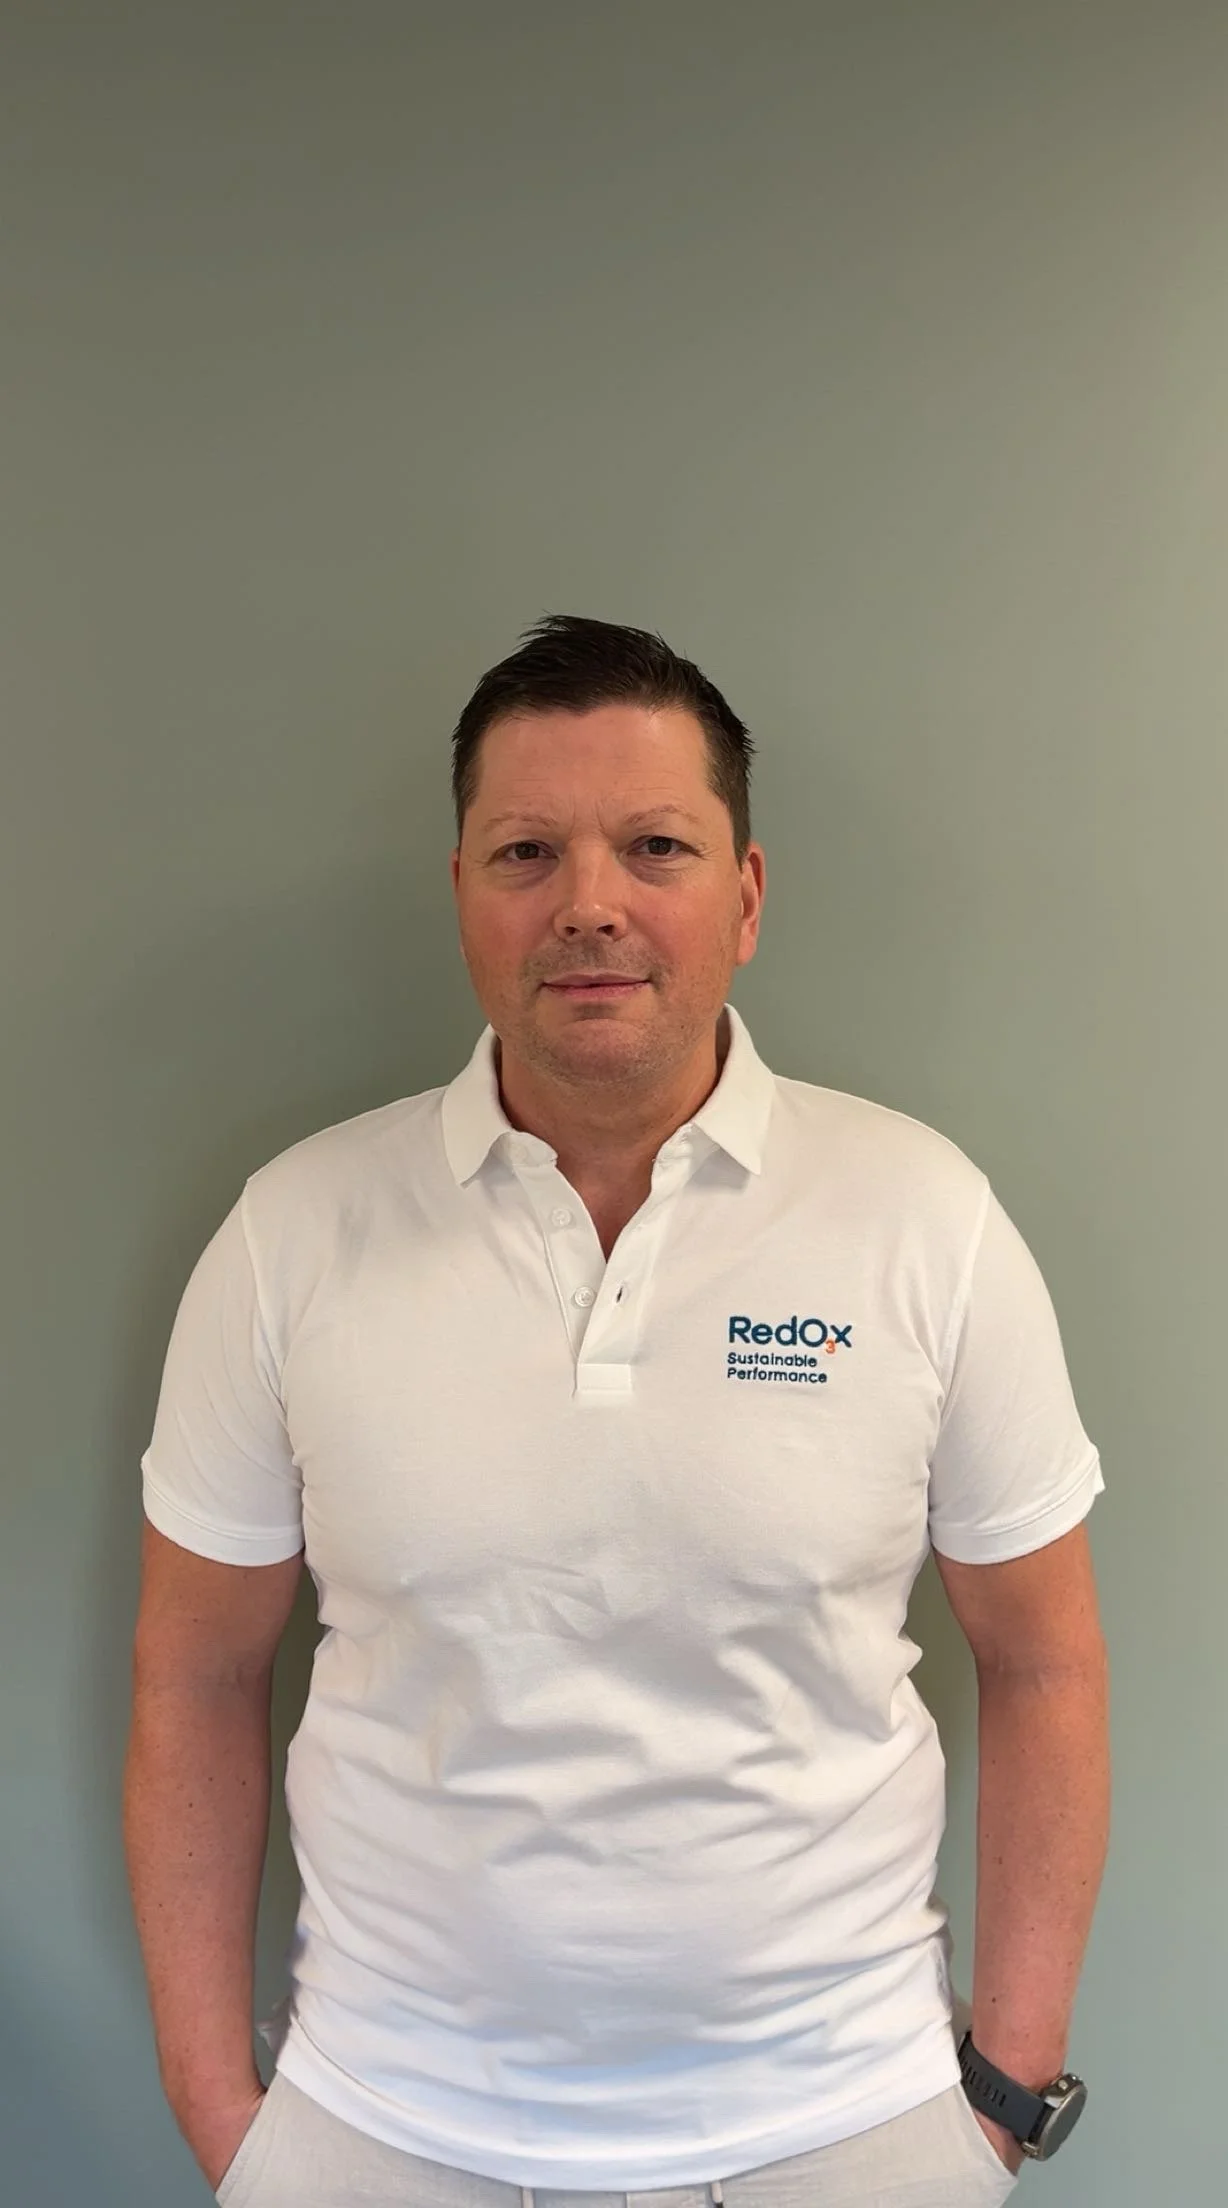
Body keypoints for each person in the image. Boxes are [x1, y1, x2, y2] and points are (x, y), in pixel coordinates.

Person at [124, 614, 1110, 2208]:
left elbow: (1045, 1661)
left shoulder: (922, 1218)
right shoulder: (291, 1235)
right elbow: (195, 1675)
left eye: (654, 845)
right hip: (381, 2123)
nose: (589, 904)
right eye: (526, 851)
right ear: (460, 895)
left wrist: (995, 2094)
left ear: (746, 894)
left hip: (846, 2124)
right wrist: (218, 2108)